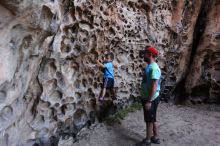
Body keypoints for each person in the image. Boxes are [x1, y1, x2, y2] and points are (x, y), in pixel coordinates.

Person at [138, 47, 161, 146]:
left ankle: (147, 141)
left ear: (150, 55)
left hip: (151, 98)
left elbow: (154, 86)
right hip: (149, 97)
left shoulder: (153, 68)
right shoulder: (149, 66)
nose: (143, 55)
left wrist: (149, 101)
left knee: (149, 120)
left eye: (145, 53)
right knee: (152, 118)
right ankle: (155, 137)